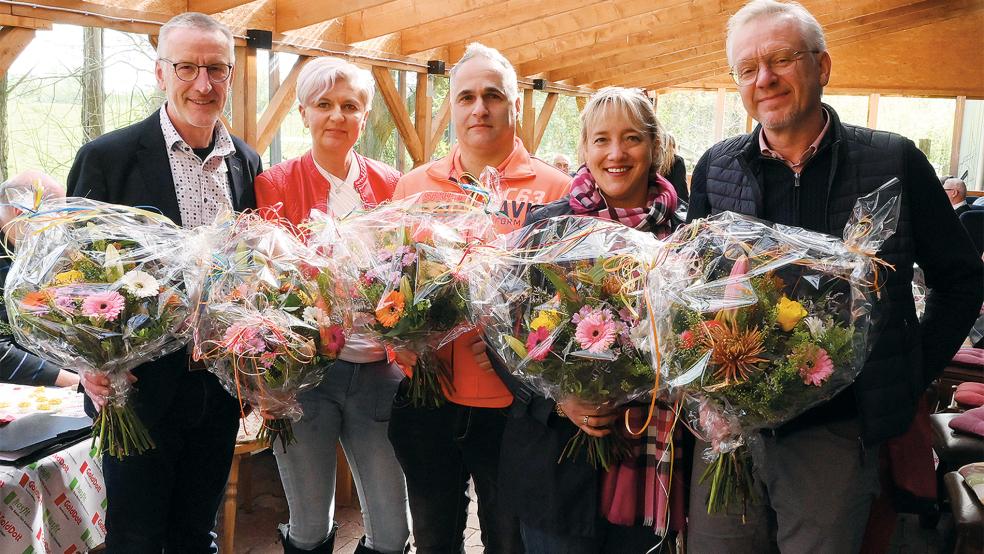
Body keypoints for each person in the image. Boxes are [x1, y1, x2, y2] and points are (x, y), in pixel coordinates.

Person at [686, 1, 984, 552]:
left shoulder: (893, 161)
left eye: (780, 58)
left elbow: (961, 279)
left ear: (822, 67)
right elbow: (691, 287)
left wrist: (907, 371)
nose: (765, 78)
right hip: (730, 426)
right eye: (747, 68)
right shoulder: (716, 166)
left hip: (834, 430)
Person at [67, 12, 262, 552]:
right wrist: (89, 361)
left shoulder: (245, 162)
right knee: (136, 536)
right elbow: (72, 272)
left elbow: (250, 267)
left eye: (216, 69)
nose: (203, 83)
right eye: (187, 67)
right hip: (136, 389)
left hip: (219, 387)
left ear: (230, 75)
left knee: (195, 533)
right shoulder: (108, 158)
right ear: (160, 73)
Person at [387, 42, 570, 552]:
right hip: (428, 399)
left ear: (515, 106)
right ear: (452, 107)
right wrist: (396, 343)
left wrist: (519, 353)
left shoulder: (557, 189)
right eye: (466, 96)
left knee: (509, 541)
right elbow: (382, 284)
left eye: (493, 95)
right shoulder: (413, 186)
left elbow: (570, 303)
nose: (479, 108)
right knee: (434, 539)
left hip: (514, 410)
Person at [500, 87, 683, 553]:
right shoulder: (548, 229)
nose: (616, 153)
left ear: (655, 146)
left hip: (649, 459)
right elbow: (502, 332)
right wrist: (559, 399)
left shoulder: (685, 237)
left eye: (632, 139)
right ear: (584, 149)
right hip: (557, 466)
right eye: (601, 140)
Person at [254, 56, 411, 554]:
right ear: (303, 112)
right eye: (324, 105)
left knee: (392, 529)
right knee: (308, 523)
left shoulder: (391, 185)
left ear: (364, 116)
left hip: (378, 374)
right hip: (305, 378)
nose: (336, 116)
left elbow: (412, 273)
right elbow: (264, 287)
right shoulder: (275, 184)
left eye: (349, 106)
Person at [0, 170, 80, 388]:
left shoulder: (25, 248)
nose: (59, 225)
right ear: (21, 211)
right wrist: (72, 380)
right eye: (55, 214)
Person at [658, 133, 689, 202]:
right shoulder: (677, 161)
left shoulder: (653, 161)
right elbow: (681, 189)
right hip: (671, 204)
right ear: (674, 145)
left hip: (655, 203)